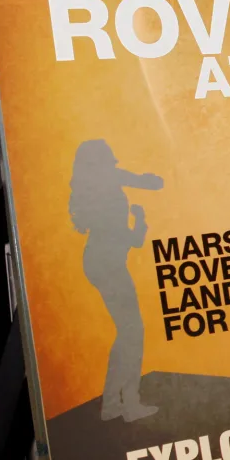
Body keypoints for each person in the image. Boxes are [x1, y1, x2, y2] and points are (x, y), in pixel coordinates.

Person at [69, 139, 163, 422]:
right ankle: (128, 405)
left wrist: (140, 219)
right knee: (133, 332)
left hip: (99, 261)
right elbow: (154, 183)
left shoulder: (90, 192)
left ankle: (112, 405)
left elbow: (132, 239)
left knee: (128, 333)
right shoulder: (108, 184)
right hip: (108, 265)